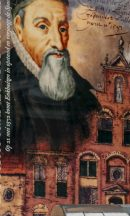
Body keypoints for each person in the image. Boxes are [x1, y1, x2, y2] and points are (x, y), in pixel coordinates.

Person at [1, 0, 100, 154]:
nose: (59, 44)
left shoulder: (80, 87)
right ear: (19, 27)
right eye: (42, 26)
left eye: (62, 29)